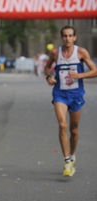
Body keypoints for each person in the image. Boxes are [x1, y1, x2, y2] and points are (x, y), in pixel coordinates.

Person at [44, 25, 97, 177]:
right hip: (60, 93)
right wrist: (49, 77)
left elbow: (95, 71)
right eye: (65, 36)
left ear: (75, 37)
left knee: (73, 129)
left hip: (76, 94)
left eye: (70, 36)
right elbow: (47, 68)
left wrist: (79, 76)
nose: (67, 38)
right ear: (62, 38)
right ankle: (66, 160)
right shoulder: (55, 52)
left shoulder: (81, 52)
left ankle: (72, 155)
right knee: (62, 125)